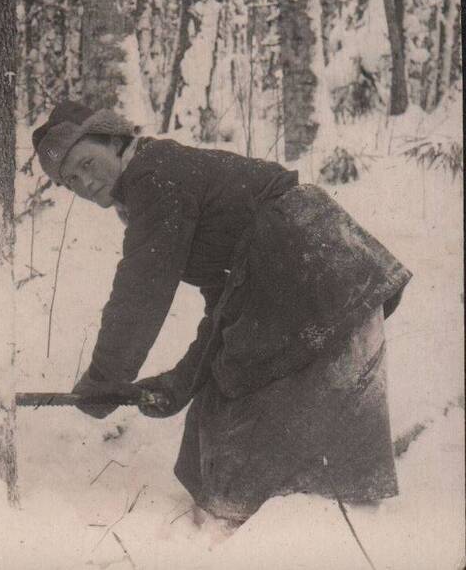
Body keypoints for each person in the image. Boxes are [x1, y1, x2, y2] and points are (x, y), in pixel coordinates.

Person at [32, 100, 412, 523]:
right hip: (310, 275)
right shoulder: (156, 176)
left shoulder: (154, 174)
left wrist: (104, 378)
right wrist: (182, 381)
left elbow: (142, 288)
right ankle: (299, 522)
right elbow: (223, 300)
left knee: (257, 422)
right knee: (227, 414)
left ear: (113, 139)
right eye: (70, 180)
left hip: (308, 276)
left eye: (87, 162)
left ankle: (317, 530)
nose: (84, 182)